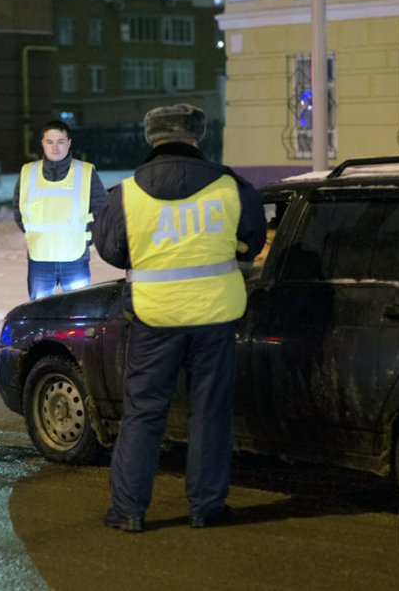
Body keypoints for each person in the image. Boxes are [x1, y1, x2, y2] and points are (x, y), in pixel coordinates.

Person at [92, 103, 266, 532]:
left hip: (155, 317)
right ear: (195, 138)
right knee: (209, 412)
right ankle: (207, 508)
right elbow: (253, 240)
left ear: (151, 139)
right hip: (215, 315)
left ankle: (129, 511)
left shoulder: (127, 193)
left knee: (143, 413)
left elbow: (112, 250)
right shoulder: (231, 187)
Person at [12, 120, 107, 300]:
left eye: (60, 141)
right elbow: (19, 212)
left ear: (69, 143)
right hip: (40, 259)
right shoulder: (27, 172)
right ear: (42, 143)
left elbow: (101, 211)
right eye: (50, 142)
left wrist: (87, 239)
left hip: (75, 258)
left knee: (78, 314)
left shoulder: (86, 172)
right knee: (40, 316)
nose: (55, 147)